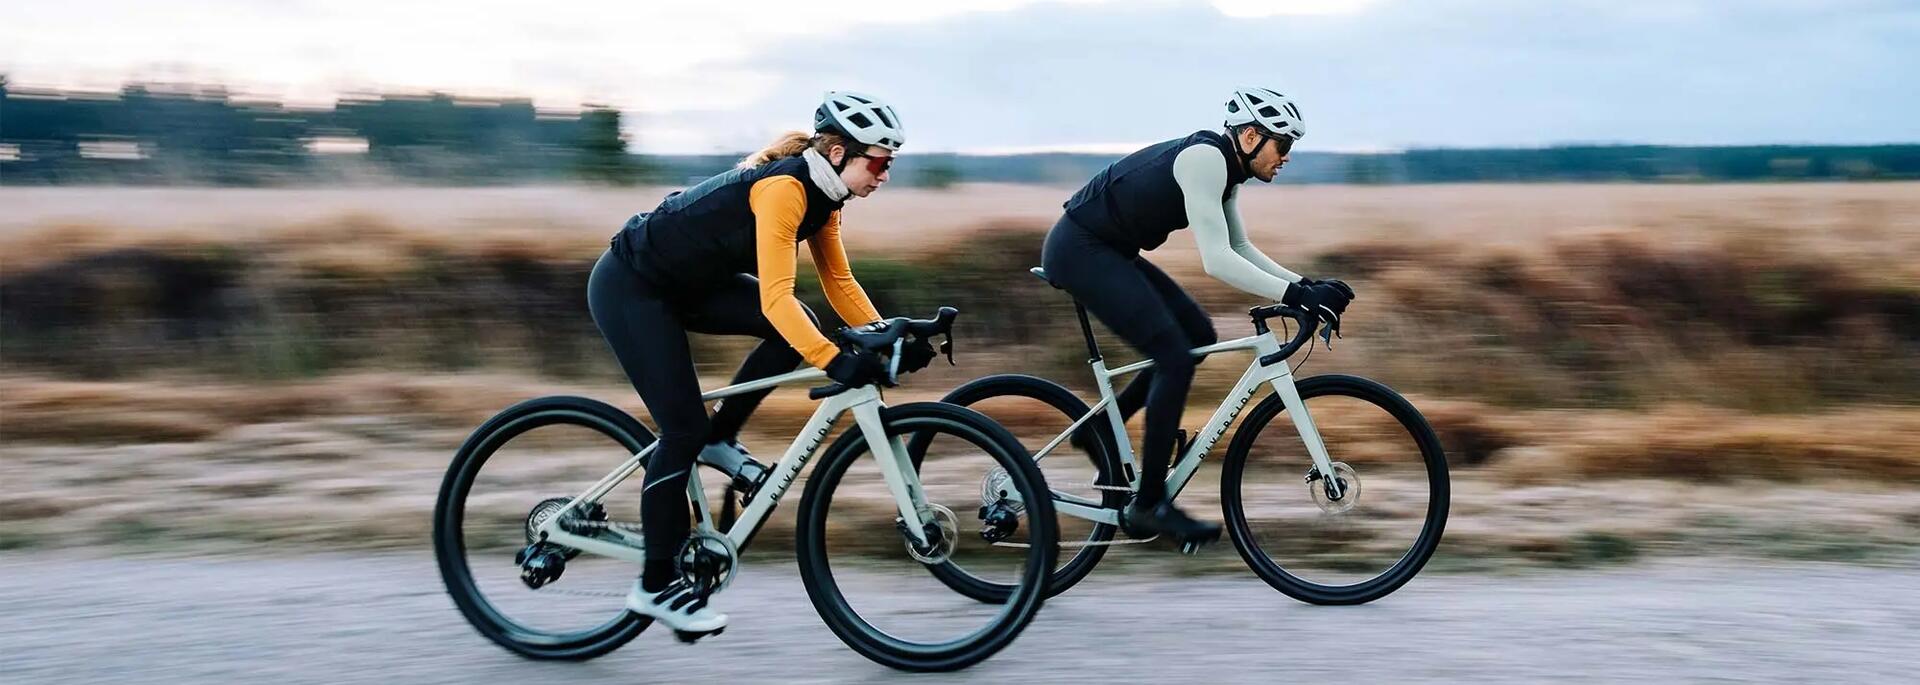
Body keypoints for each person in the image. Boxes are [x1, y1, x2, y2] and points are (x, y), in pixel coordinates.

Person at [590, 91, 921, 634]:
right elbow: (775, 299)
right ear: (838, 153)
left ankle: (720, 440)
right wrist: (836, 362)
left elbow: (839, 282)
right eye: (879, 161)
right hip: (634, 287)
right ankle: (654, 586)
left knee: (801, 328)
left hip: (688, 285)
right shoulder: (786, 189)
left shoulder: (826, 200)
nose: (884, 173)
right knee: (681, 429)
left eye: (891, 163)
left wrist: (886, 336)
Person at [1042, 87, 1354, 547]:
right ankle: (1149, 504)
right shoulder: (1205, 160)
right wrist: (1295, 293)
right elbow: (1217, 261)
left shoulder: (1226, 169)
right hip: (1081, 250)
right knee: (1173, 356)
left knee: (1195, 333)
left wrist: (1305, 287)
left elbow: (1240, 248)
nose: (1286, 157)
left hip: (1108, 250)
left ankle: (1097, 433)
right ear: (1250, 136)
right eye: (1282, 145)